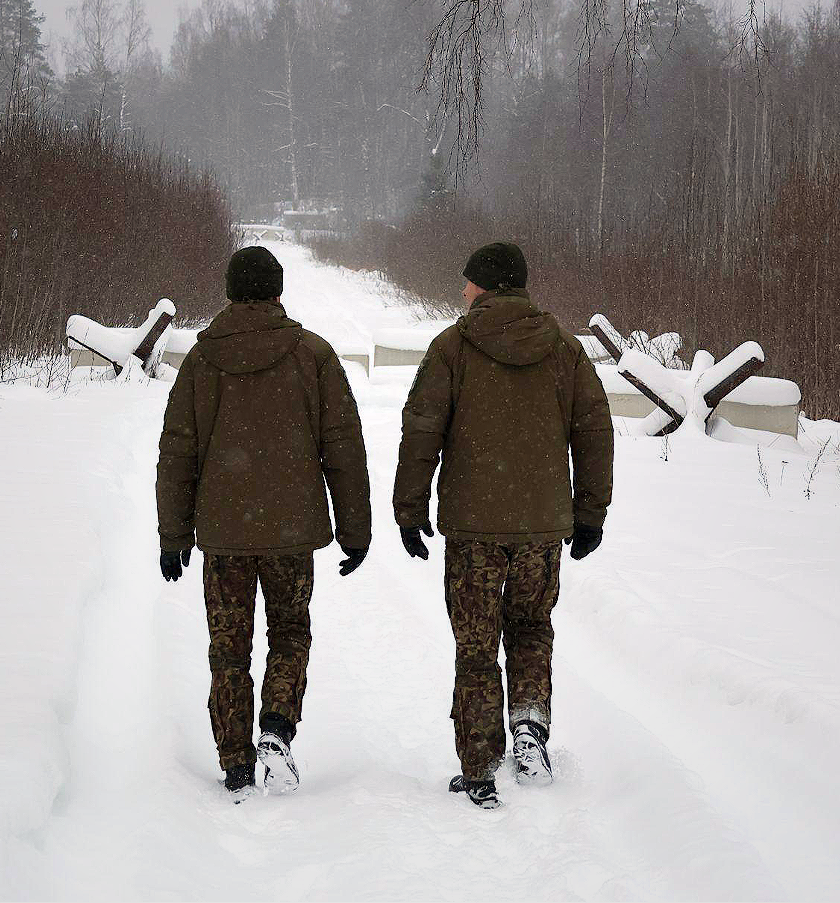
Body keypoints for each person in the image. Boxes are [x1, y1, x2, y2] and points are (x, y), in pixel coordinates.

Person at [393, 241, 613, 809]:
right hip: (540, 527)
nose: (462, 291)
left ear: (486, 285)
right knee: (532, 628)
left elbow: (422, 430)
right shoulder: (564, 349)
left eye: (468, 282)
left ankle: (479, 765)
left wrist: (410, 509)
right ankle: (530, 729)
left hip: (473, 530)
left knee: (475, 643)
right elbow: (594, 432)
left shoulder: (453, 348)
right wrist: (590, 512)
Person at [157, 246, 371, 803]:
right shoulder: (313, 355)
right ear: (278, 291)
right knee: (290, 632)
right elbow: (342, 447)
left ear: (230, 291)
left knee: (228, 648)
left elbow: (178, 451)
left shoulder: (202, 362)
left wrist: (173, 534)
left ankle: (235, 763)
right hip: (290, 533)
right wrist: (355, 529)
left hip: (225, 536)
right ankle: (276, 727)